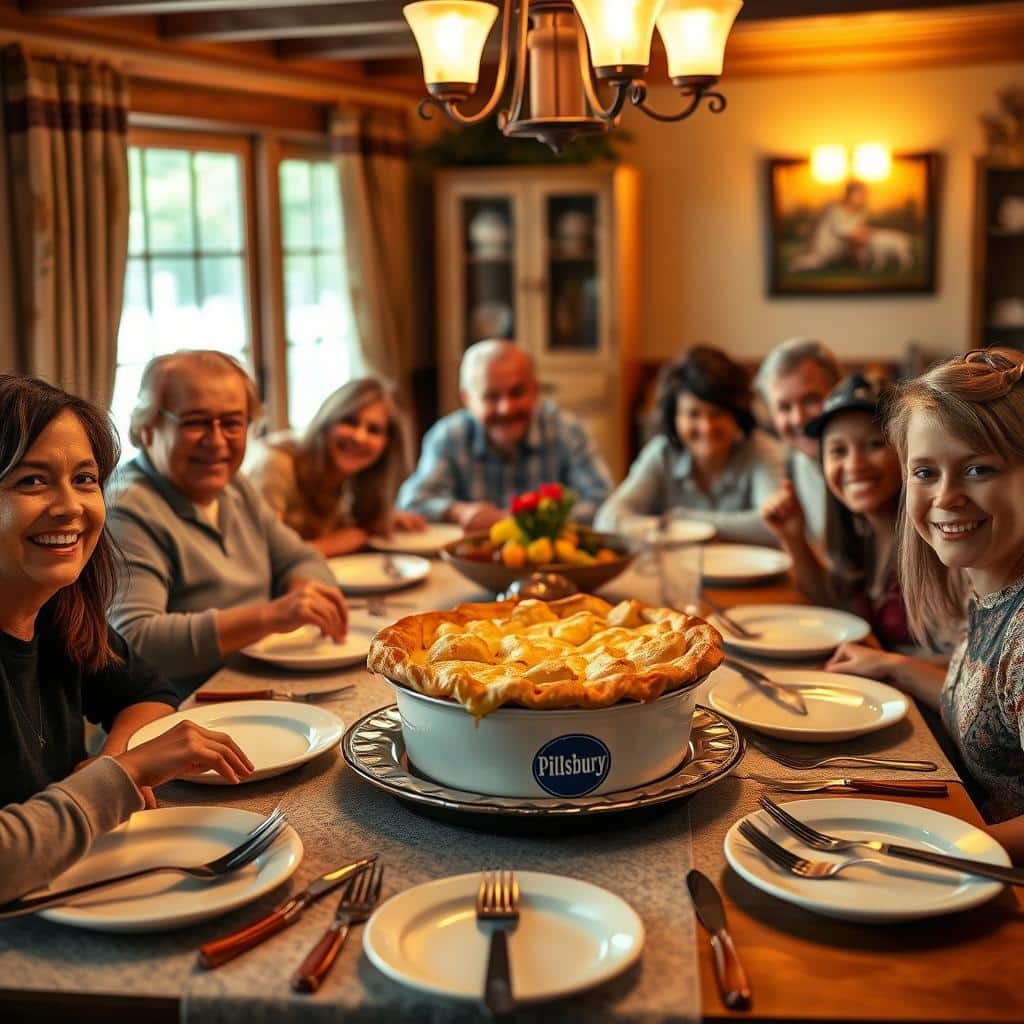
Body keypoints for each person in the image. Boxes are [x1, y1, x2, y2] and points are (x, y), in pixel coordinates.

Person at [0, 374, 254, 904]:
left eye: (85, 478)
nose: (71, 506)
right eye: (31, 481)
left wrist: (110, 761)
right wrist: (123, 773)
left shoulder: (56, 611)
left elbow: (147, 691)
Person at [825, 349, 1024, 861]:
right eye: (925, 473)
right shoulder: (989, 590)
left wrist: (928, 849)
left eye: (979, 469)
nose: (947, 496)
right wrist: (896, 667)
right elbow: (988, 710)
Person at [107, 351, 347, 700]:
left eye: (232, 423)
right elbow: (136, 640)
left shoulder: (234, 486)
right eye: (195, 422)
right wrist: (271, 617)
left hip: (261, 684)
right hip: (182, 712)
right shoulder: (126, 507)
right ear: (146, 429)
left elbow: (299, 557)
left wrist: (306, 592)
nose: (217, 441)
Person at [760, 374, 911, 648]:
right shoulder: (862, 534)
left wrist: (890, 664)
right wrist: (793, 537)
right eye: (838, 451)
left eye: (874, 444)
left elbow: (970, 667)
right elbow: (831, 604)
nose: (855, 465)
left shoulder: (936, 545)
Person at [397, 339, 613, 530]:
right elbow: (411, 503)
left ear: (535, 391)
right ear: (467, 399)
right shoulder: (447, 436)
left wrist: (530, 520)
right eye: (491, 397)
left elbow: (604, 502)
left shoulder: (568, 431)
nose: (506, 408)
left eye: (517, 393)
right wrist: (457, 511)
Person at [594, 346, 785, 544]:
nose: (706, 427)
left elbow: (773, 526)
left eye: (717, 413)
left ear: (736, 413)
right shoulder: (661, 453)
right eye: (693, 414)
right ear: (674, 417)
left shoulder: (761, 450)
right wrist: (663, 527)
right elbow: (607, 520)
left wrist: (683, 521)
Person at [244, 378, 425, 557]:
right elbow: (259, 556)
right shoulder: (276, 464)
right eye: (350, 422)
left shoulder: (351, 477)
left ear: (387, 445)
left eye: (374, 430)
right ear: (327, 421)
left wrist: (380, 521)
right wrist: (327, 546)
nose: (360, 437)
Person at [753, 337, 841, 544]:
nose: (798, 418)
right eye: (784, 407)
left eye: (811, 400)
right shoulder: (794, 462)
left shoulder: (870, 465)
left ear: (839, 392)